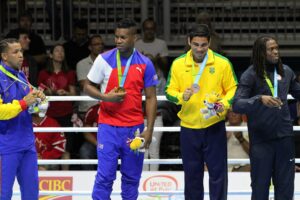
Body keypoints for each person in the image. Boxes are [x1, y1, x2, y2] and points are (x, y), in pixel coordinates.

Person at [84, 18, 157, 199]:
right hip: (108, 126)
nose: (118, 41)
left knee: (131, 178)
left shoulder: (145, 63)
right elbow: (87, 86)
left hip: (134, 129)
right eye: (116, 37)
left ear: (135, 38)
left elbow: (151, 97)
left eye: (123, 37)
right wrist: (105, 97)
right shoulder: (104, 59)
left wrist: (149, 129)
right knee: (105, 176)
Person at [165, 24, 237, 200]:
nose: (199, 49)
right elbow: (169, 93)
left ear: (209, 43)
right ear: (189, 41)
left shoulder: (222, 63)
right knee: (192, 175)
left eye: (203, 45)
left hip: (214, 126)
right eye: (196, 44)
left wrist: (223, 105)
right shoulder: (178, 64)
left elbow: (233, 88)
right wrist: (183, 96)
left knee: (218, 174)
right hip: (189, 128)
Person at [232, 35, 300, 200]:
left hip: (284, 138)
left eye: (277, 48)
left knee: (285, 188)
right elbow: (237, 104)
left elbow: (298, 92)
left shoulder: (286, 71)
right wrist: (259, 99)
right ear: (261, 53)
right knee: (260, 188)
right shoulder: (250, 74)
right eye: (271, 49)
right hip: (261, 140)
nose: (276, 52)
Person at [0, 38, 45, 199]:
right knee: (3, 194)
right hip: (4, 147)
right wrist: (24, 103)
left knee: (31, 194)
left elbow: (32, 108)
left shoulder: (21, 75)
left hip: (27, 144)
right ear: (4, 56)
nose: (21, 55)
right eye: (16, 52)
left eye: (21, 51)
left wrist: (39, 102)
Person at [76, 35, 105, 116]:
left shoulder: (108, 63)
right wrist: (103, 83)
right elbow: (84, 86)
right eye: (96, 44)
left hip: (104, 107)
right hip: (87, 107)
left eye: (101, 44)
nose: (100, 46)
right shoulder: (81, 64)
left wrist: (92, 84)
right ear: (90, 47)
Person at [79, 104, 99, 170]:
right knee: (84, 151)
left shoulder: (119, 110)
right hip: (95, 143)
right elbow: (86, 132)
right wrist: (98, 144)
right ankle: (89, 176)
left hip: (114, 143)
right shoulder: (93, 110)